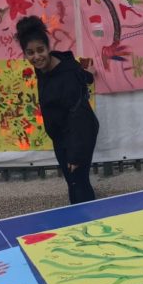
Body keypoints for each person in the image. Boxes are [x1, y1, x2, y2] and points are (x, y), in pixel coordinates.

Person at [16, 16, 99, 204]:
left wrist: (75, 155)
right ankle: (79, 214)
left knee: (79, 182)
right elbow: (79, 73)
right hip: (61, 135)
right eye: (30, 53)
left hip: (80, 133)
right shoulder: (46, 67)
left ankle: (90, 218)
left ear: (48, 48)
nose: (36, 57)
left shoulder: (66, 76)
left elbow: (79, 116)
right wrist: (88, 76)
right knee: (72, 181)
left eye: (40, 50)